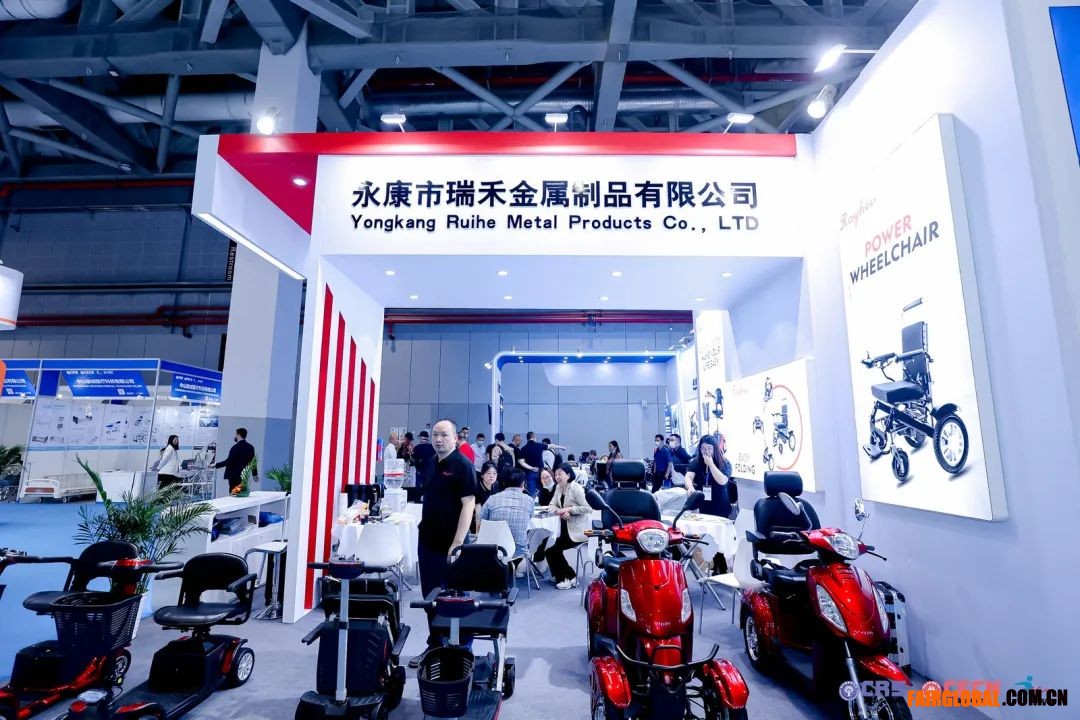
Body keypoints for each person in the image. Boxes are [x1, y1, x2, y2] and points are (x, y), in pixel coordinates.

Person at [417, 419, 477, 648]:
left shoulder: (463, 465)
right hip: (428, 541)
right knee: (430, 596)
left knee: (456, 596)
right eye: (435, 435)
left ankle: (462, 647)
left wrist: (458, 542)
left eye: (444, 435)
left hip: (453, 544)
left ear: (455, 438)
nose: (439, 439)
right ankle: (435, 642)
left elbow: (468, 504)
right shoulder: (430, 463)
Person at [537, 463, 591, 589]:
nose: (557, 477)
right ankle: (562, 575)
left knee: (552, 548)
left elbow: (587, 508)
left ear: (568, 475)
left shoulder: (576, 488)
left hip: (577, 531)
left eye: (560, 474)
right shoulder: (559, 488)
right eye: (555, 474)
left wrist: (569, 509)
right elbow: (551, 505)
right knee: (548, 545)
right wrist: (559, 511)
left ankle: (568, 577)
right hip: (563, 529)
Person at [478, 469, 535, 562]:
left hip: (492, 551)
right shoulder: (529, 500)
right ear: (523, 484)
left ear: (504, 483)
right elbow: (529, 520)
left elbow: (481, 522)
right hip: (519, 553)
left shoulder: (492, 499)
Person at [683, 432, 734, 519]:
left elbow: (722, 481)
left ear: (715, 449)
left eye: (709, 448)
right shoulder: (697, 461)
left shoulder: (724, 462)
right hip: (703, 503)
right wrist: (690, 487)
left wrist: (711, 464)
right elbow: (688, 477)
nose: (706, 451)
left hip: (719, 504)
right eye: (703, 448)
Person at [215, 427, 256, 493]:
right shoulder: (251, 447)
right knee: (240, 493)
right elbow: (253, 462)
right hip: (244, 475)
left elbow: (228, 461)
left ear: (238, 435)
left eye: (235, 434)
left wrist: (215, 465)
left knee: (234, 494)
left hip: (234, 476)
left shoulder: (235, 447)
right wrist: (255, 474)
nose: (235, 436)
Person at [472, 461, 500, 533]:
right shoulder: (477, 487)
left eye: (494, 473)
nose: (492, 476)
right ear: (482, 475)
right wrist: (478, 532)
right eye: (488, 473)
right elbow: (478, 512)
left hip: (490, 516)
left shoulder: (496, 484)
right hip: (476, 518)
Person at [517, 431, 545, 497]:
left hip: (530, 473)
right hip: (541, 472)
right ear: (534, 437)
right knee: (541, 491)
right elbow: (550, 446)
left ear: (527, 438)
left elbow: (521, 462)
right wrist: (560, 447)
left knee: (531, 493)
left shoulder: (523, 448)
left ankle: (532, 502)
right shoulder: (539, 445)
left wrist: (531, 468)